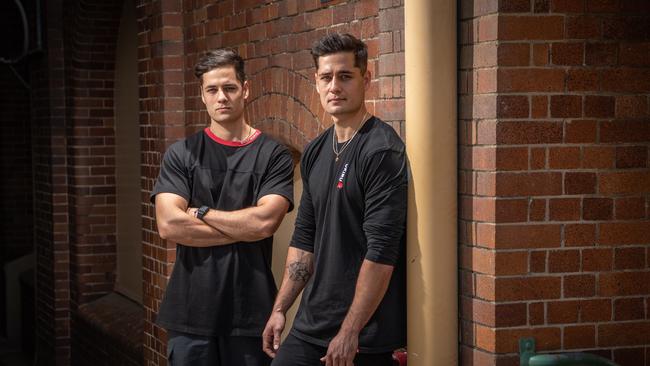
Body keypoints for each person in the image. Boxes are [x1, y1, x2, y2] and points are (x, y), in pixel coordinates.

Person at [263, 33, 407, 366]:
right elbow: (304, 238)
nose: (334, 87)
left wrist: (349, 331)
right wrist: (280, 309)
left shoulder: (380, 150)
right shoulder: (316, 150)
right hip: (310, 327)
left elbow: (382, 252)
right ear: (316, 82)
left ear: (365, 79)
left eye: (345, 76)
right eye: (326, 77)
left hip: (365, 338)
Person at [151, 49, 294, 366]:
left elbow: (265, 223)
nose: (222, 97)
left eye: (229, 88)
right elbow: (169, 225)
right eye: (212, 89)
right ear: (201, 95)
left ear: (245, 89)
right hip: (190, 317)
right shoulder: (182, 154)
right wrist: (244, 229)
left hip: (249, 315)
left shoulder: (272, 155)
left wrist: (202, 213)